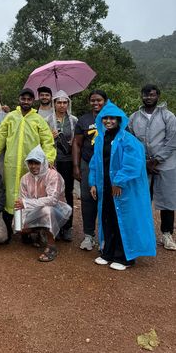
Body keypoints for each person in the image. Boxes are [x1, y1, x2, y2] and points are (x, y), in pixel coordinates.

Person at [89, 101, 156, 270]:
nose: (108, 121)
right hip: (105, 188)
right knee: (108, 219)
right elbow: (94, 163)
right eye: (105, 118)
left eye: (112, 118)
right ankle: (108, 253)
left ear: (120, 120)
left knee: (123, 220)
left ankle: (125, 257)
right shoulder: (100, 139)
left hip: (122, 190)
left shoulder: (128, 140)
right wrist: (93, 183)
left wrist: (119, 181)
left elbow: (133, 163)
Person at [0, 88, 56, 235]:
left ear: (33, 101)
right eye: (23, 99)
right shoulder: (10, 117)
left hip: (31, 167)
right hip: (12, 165)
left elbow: (47, 140)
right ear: (19, 100)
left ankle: (27, 230)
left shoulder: (38, 119)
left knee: (29, 195)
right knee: (11, 194)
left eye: (29, 99)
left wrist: (49, 159)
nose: (26, 102)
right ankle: (11, 227)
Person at [128, 84, 176, 251]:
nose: (148, 98)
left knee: (167, 201)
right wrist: (143, 162)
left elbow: (172, 141)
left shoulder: (168, 116)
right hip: (143, 166)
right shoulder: (134, 117)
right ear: (141, 96)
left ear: (158, 96)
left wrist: (156, 160)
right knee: (141, 199)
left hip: (166, 164)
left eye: (152, 95)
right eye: (146, 95)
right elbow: (131, 141)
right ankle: (141, 233)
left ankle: (167, 234)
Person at [15, 146, 72, 262]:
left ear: (43, 162)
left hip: (56, 210)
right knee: (17, 225)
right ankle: (38, 232)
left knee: (47, 210)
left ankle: (51, 246)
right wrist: (19, 224)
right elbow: (22, 202)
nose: (33, 166)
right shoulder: (25, 179)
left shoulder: (53, 175)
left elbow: (52, 200)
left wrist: (26, 203)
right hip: (35, 210)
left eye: (37, 163)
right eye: (30, 163)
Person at [72, 89, 107, 251]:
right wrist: (76, 166)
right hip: (87, 162)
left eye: (99, 100)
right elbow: (77, 144)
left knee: (106, 199)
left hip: (107, 164)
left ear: (105, 101)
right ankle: (88, 235)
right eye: (92, 100)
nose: (96, 103)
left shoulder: (112, 117)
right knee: (87, 199)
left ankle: (106, 236)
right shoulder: (84, 120)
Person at [46, 90, 77, 241]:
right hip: (53, 162)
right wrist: (50, 138)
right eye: (59, 102)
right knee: (52, 193)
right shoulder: (47, 120)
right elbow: (43, 142)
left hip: (69, 161)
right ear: (54, 104)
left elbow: (78, 141)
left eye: (65, 102)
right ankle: (55, 224)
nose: (62, 105)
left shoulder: (74, 120)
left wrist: (73, 143)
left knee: (68, 193)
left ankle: (68, 226)